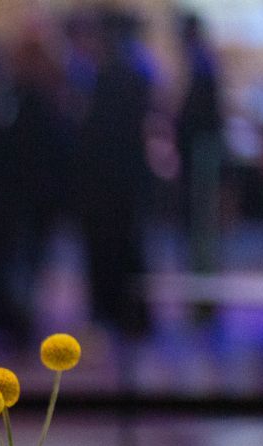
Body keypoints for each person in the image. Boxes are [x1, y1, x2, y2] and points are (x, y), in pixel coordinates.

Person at [0, 25, 72, 341]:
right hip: (22, 193)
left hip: (29, 192)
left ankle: (19, 320)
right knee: (22, 261)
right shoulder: (21, 95)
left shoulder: (34, 96)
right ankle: (17, 319)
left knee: (26, 261)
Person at [75, 8, 155, 337]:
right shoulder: (133, 75)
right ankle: (130, 315)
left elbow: (100, 136)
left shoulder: (109, 78)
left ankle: (116, 313)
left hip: (107, 183)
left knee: (113, 249)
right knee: (126, 248)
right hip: (121, 181)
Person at [176, 12, 224, 282]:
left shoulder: (201, 62)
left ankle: (203, 277)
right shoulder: (202, 60)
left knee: (203, 216)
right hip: (202, 147)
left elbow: (198, 114)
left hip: (202, 149)